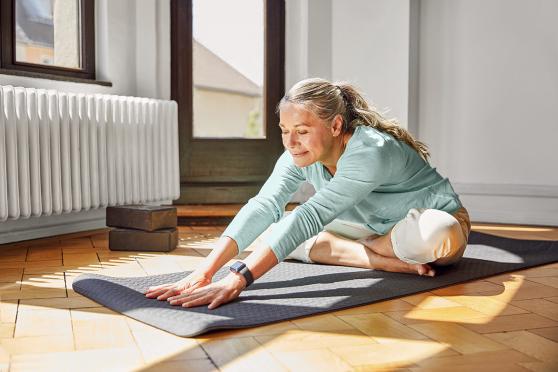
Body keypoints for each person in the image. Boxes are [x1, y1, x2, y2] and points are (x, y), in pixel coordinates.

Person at [145, 78, 471, 310]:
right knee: (270, 234)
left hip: (426, 220)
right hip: (366, 224)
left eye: (301, 131)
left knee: (436, 236)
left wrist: (237, 279)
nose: (290, 142)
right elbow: (264, 205)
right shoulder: (296, 154)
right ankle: (386, 259)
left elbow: (311, 216)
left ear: (335, 126)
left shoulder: (369, 149)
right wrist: (203, 271)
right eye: (285, 131)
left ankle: (377, 249)